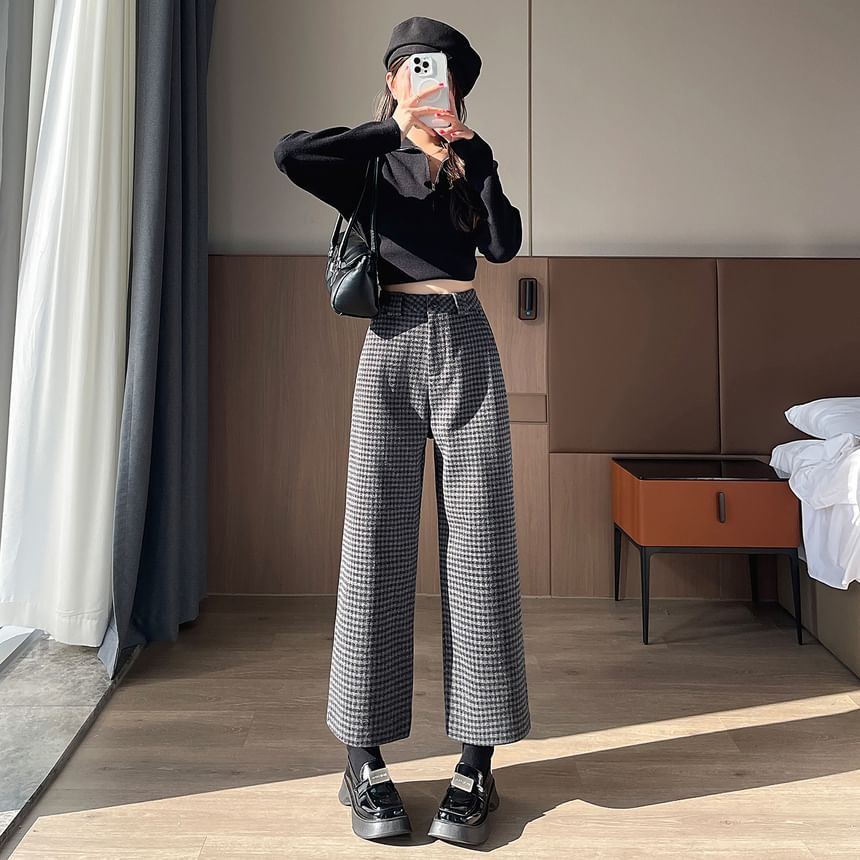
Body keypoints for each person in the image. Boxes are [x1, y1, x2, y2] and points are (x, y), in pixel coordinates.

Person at [273, 15, 530, 847]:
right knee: (373, 544)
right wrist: (396, 129)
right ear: (391, 80)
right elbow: (290, 154)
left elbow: (503, 245)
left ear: (458, 85)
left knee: (482, 545)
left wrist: (475, 162)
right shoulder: (370, 158)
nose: (426, 78)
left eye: (439, 70)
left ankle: (476, 766)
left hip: (465, 339)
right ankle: (364, 761)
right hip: (388, 344)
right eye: (413, 68)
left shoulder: (469, 158)